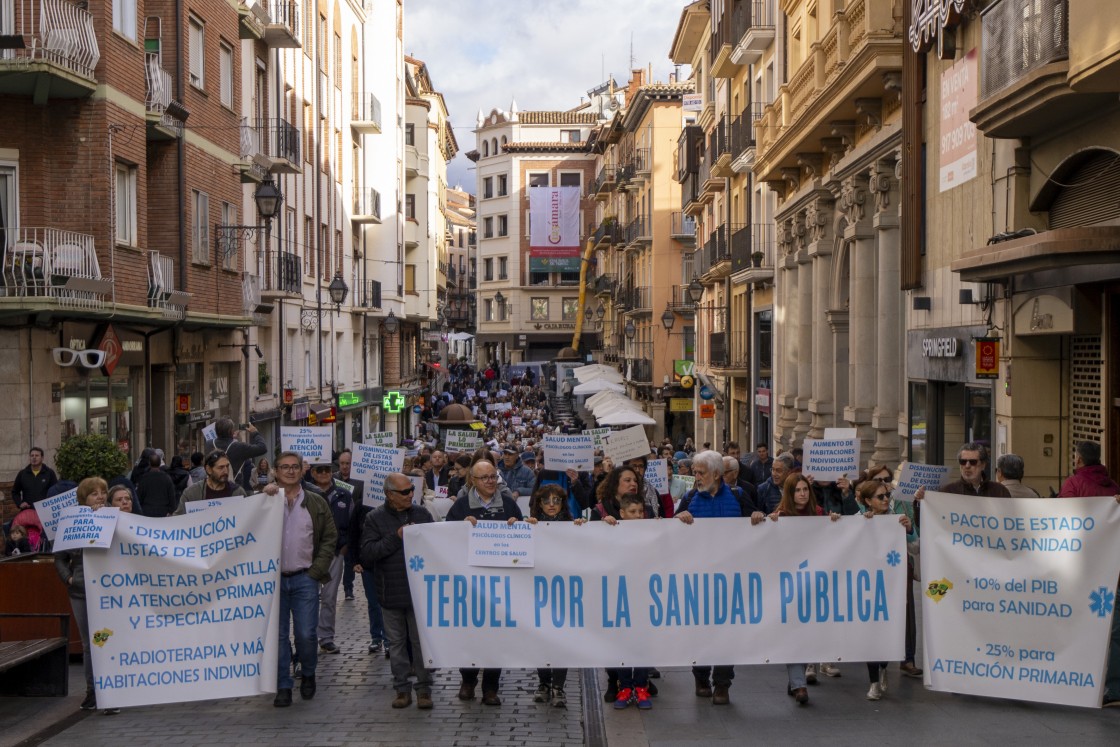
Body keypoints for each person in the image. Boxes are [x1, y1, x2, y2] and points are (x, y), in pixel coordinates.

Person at [447, 459, 524, 706]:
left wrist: (519, 527)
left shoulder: (509, 505)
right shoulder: (460, 507)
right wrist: (460, 529)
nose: (491, 481)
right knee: (470, 635)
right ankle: (468, 680)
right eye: (485, 478)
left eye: (494, 477)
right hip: (471, 583)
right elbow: (444, 540)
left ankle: (491, 687)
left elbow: (524, 540)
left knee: (496, 637)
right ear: (473, 481)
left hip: (501, 584)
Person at [763, 473, 841, 706]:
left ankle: (795, 678)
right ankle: (799, 685)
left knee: (809, 633)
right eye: (797, 490)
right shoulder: (780, 516)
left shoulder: (819, 515)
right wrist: (766, 523)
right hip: (788, 586)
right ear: (790, 493)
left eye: (805, 489)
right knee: (793, 634)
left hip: (814, 585)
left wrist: (835, 521)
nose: (802, 494)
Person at [674, 450, 744, 705]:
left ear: (716, 474)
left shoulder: (738, 496)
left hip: (729, 581)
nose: (696, 477)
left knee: (727, 633)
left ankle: (723, 683)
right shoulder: (690, 498)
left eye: (700, 473)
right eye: (695, 472)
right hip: (699, 580)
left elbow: (764, 521)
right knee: (700, 632)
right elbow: (669, 529)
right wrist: (678, 518)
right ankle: (701, 676)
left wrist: (760, 517)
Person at [268, 451, 337, 708]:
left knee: (306, 634)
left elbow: (330, 537)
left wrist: (316, 571)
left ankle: (308, 672)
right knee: (279, 636)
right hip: (273, 582)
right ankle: (283, 685)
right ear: (275, 471)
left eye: (294, 467)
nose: (289, 471)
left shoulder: (316, 502)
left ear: (302, 470)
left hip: (305, 578)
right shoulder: (265, 501)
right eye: (284, 467)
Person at [360, 472, 435, 709]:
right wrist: (397, 537)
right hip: (391, 591)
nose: (410, 494)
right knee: (397, 644)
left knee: (421, 643)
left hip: (419, 592)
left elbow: (437, 546)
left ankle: (424, 689)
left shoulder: (422, 514)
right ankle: (401, 689)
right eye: (404, 492)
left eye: (411, 489)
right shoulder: (374, 518)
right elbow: (369, 553)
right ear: (389, 495)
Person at [524, 484, 585, 708]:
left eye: (556, 500)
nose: (551, 505)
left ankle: (558, 686)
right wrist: (524, 528)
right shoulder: (530, 525)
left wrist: (581, 528)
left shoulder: (572, 525)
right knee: (541, 640)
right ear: (539, 504)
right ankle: (543, 683)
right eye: (547, 501)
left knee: (561, 641)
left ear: (562, 503)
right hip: (538, 592)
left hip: (564, 592)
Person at [54, 477, 111, 713]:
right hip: (81, 591)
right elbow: (59, 558)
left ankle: (112, 691)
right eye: (94, 493)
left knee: (106, 641)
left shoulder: (112, 517)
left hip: (108, 592)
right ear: (83, 498)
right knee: (90, 643)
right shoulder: (70, 522)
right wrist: (69, 578)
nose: (99, 497)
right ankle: (93, 691)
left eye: (102, 492)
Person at [855, 478, 915, 700]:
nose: (886, 499)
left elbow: (916, 546)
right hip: (869, 586)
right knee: (872, 634)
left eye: (886, 495)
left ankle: (882, 668)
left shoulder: (896, 520)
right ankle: (873, 683)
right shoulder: (858, 520)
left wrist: (909, 529)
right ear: (868, 501)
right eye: (880, 497)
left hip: (892, 586)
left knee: (889, 632)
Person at [608, 492, 655, 711]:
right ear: (622, 513)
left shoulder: (651, 531)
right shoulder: (613, 531)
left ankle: (641, 685)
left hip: (644, 596)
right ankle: (625, 686)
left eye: (640, 512)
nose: (637, 516)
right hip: (621, 598)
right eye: (632, 512)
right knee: (622, 643)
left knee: (643, 643)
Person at [309, 462, 355, 655]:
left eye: (327, 470)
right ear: (312, 472)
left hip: (335, 552)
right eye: (319, 470)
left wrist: (345, 548)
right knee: (309, 598)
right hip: (309, 554)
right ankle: (308, 638)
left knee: (328, 597)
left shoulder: (344, 494)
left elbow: (352, 523)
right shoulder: (304, 492)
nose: (323, 473)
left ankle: (326, 638)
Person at [174, 451, 248, 514]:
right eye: (221, 467)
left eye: (227, 466)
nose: (226, 471)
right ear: (208, 469)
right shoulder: (191, 493)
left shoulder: (238, 493)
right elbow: (178, 521)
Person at [336, 449, 364, 601]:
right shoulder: (332, 478)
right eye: (342, 463)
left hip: (352, 526)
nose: (345, 466)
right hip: (335, 525)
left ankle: (348, 588)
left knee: (349, 560)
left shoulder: (359, 482)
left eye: (348, 463)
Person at [212, 418, 268, 488]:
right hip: (232, 490)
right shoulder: (239, 447)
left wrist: (232, 440)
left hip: (213, 487)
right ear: (231, 431)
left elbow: (224, 444)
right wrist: (255, 433)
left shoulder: (209, 444)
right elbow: (262, 448)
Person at [136, 451, 177, 517]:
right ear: (160, 463)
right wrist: (171, 511)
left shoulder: (144, 478)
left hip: (147, 512)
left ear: (149, 463)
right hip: (163, 511)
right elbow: (171, 496)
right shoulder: (167, 478)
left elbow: (139, 496)